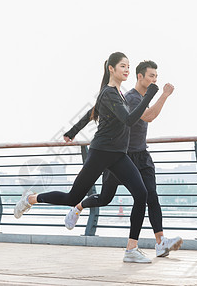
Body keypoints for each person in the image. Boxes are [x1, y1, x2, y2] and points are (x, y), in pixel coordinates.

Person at [14, 52, 159, 263]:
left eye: (128, 66)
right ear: (111, 68)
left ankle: (131, 249)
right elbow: (128, 120)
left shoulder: (117, 93)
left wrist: (73, 131)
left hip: (118, 154)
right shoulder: (108, 93)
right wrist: (150, 95)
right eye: (122, 66)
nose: (127, 69)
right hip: (101, 153)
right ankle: (30, 198)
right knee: (72, 197)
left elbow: (92, 113)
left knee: (141, 194)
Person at [63, 60, 183, 258]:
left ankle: (160, 242)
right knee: (105, 198)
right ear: (140, 77)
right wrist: (164, 94)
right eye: (151, 76)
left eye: (156, 77)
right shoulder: (131, 98)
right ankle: (78, 206)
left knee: (150, 196)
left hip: (142, 155)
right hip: (122, 156)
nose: (155, 80)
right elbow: (150, 115)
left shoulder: (140, 97)